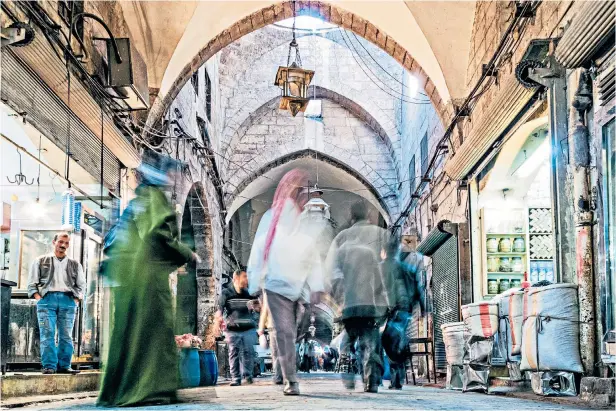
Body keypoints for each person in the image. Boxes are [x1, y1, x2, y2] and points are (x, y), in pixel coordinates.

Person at [97, 153, 200, 407]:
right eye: (174, 173)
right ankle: (147, 389)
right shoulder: (154, 198)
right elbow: (157, 235)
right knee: (150, 331)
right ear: (164, 174)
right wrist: (187, 253)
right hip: (144, 277)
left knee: (130, 331)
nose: (176, 179)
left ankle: (123, 389)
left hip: (129, 275)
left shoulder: (141, 199)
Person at [247, 169, 323, 396]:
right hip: (276, 286)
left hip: (297, 289)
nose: (302, 195)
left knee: (293, 333)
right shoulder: (272, 215)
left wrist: (315, 285)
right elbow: (260, 248)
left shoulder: (304, 218)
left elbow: (311, 253)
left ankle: (288, 372)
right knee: (285, 333)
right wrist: (255, 284)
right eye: (299, 190)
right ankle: (291, 380)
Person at [325, 201, 392, 393]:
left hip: (349, 305)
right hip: (369, 304)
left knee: (348, 340)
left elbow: (331, 273)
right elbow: (381, 279)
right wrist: (384, 301)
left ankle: (347, 368)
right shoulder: (371, 249)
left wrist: (338, 297)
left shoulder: (340, 242)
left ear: (351, 218)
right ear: (367, 215)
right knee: (370, 343)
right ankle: (371, 382)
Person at [27, 232, 85, 375]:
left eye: (66, 243)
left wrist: (76, 299)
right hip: (47, 299)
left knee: (66, 335)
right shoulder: (40, 260)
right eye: (61, 242)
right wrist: (38, 297)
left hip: (68, 300)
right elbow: (32, 283)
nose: (63, 245)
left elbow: (81, 285)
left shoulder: (75, 264)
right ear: (54, 242)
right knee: (48, 333)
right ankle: (49, 366)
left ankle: (64, 365)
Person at [215, 269, 257, 386]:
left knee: (248, 352)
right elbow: (220, 310)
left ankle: (247, 375)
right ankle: (236, 378)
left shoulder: (249, 293)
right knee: (233, 353)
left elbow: (258, 308)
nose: (247, 280)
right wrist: (218, 322)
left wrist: (256, 307)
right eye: (244, 277)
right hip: (232, 329)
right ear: (236, 279)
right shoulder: (226, 293)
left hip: (248, 328)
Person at [257, 292, 283, 384]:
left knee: (276, 353)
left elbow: (265, 310)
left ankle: (278, 376)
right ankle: (284, 375)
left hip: (274, 326)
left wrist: (261, 327)